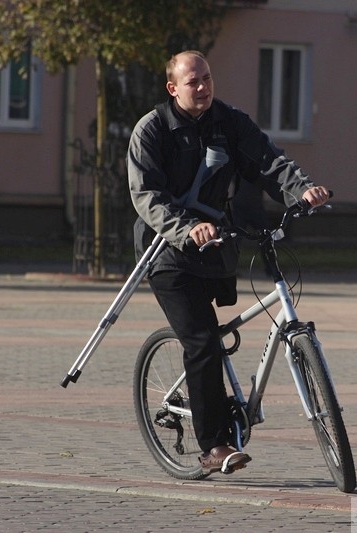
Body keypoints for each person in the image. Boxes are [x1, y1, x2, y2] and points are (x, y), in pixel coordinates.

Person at [127, 50, 330, 476]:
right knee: (201, 342)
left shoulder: (230, 122)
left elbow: (269, 162)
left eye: (207, 78)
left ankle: (226, 410)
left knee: (214, 338)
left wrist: (302, 190)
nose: (202, 88)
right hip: (167, 253)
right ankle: (214, 446)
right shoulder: (153, 129)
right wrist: (186, 229)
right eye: (192, 82)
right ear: (173, 88)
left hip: (217, 247)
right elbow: (147, 195)